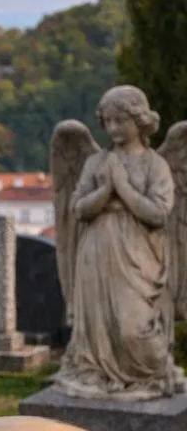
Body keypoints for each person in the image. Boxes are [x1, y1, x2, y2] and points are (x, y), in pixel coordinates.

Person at [54, 85, 182, 400]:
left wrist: (121, 187)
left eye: (120, 121)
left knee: (133, 328)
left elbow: (157, 214)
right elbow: (79, 208)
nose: (113, 128)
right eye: (107, 121)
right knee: (97, 329)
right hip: (95, 255)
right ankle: (95, 373)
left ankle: (148, 376)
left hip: (140, 259)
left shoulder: (156, 165)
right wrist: (105, 190)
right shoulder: (95, 163)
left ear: (139, 120)